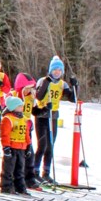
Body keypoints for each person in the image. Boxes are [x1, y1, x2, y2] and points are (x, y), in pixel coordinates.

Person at [32, 56, 76, 184]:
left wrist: (75, 86)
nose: (57, 72)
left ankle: (46, 172)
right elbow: (39, 96)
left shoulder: (63, 84)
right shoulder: (43, 80)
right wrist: (47, 82)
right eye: (55, 70)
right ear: (51, 70)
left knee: (50, 145)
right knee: (42, 145)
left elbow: (73, 98)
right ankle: (35, 171)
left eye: (59, 70)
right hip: (42, 115)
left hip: (53, 116)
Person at [9, 72, 39, 189]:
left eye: (31, 88)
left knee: (29, 154)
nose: (29, 91)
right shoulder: (14, 96)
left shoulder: (30, 98)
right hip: (15, 130)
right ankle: (14, 179)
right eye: (27, 88)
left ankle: (29, 178)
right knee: (17, 157)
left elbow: (34, 111)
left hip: (26, 129)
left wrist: (44, 108)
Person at [0, 96, 32, 196]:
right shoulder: (8, 119)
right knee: (9, 168)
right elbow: (5, 134)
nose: (22, 107)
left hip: (21, 147)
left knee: (20, 168)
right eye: (19, 106)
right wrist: (6, 147)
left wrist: (29, 145)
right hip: (12, 147)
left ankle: (20, 186)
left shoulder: (24, 119)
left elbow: (26, 134)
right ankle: (6, 186)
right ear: (13, 107)